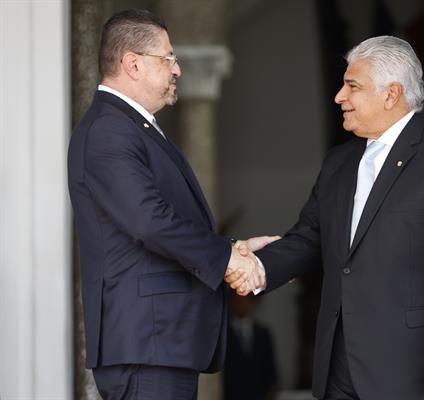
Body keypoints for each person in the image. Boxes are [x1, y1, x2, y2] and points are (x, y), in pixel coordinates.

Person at [228, 36, 424, 400]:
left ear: (391, 94)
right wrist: (257, 269)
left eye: (352, 86)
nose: (339, 96)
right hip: (340, 364)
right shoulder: (338, 163)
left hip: (416, 365)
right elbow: (309, 238)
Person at [68, 9, 272, 399]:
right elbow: (150, 221)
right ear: (133, 64)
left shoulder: (131, 127)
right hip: (147, 344)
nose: (177, 68)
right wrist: (228, 259)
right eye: (169, 58)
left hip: (158, 344)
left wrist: (232, 250)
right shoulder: (110, 129)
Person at [224, 292, 279, 400]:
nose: (241, 304)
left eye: (245, 300)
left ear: (253, 303)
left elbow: (270, 367)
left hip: (257, 394)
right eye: (237, 301)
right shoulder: (223, 333)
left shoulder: (262, 333)